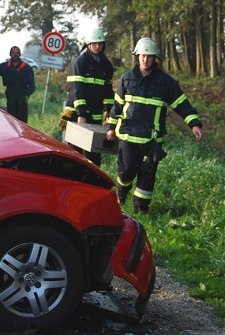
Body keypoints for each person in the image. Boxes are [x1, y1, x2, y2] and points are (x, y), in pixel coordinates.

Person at [106, 37, 203, 214]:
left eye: (149, 56)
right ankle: (122, 193)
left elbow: (182, 104)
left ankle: (141, 210)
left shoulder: (166, 83)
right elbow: (117, 106)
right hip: (128, 136)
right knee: (127, 171)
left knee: (147, 175)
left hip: (153, 138)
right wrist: (111, 127)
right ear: (137, 56)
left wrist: (194, 123)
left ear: (155, 58)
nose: (145, 59)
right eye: (143, 55)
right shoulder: (126, 79)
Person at [60, 28, 115, 166]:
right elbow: (76, 90)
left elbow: (108, 90)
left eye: (100, 43)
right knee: (75, 153)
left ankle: (92, 183)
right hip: (77, 115)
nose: (97, 47)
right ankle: (73, 182)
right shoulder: (79, 62)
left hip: (95, 116)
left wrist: (108, 109)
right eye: (94, 43)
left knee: (94, 154)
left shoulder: (106, 65)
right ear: (88, 44)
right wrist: (81, 114)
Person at [0, 45, 35, 123]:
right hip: (10, 96)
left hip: (22, 97)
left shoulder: (26, 68)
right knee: (11, 120)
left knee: (22, 121)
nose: (15, 54)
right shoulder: (5, 66)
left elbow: (32, 85)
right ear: (10, 54)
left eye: (17, 53)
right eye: (13, 52)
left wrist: (26, 95)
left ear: (20, 54)